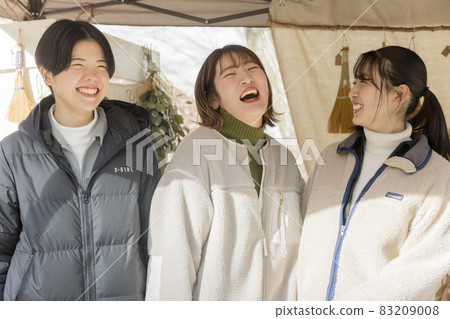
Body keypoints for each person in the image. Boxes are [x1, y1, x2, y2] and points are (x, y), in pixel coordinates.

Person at [0, 19, 161, 300]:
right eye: (78, 65)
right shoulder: (13, 153)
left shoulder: (138, 146)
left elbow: (156, 238)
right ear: (47, 74)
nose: (93, 77)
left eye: (101, 67)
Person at [146, 45, 304, 300]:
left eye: (253, 68)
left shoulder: (284, 158)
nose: (247, 77)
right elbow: (172, 259)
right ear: (212, 99)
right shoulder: (196, 154)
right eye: (230, 74)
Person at [297, 45, 450, 301]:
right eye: (355, 81)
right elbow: (302, 248)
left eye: (364, 82)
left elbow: (415, 275)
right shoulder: (330, 158)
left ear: (399, 95)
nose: (352, 92)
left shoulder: (437, 175)